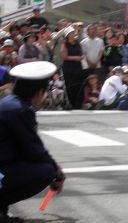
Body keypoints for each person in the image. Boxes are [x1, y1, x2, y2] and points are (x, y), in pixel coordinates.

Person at [0, 61, 65, 222]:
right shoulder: (20, 110)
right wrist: (56, 172)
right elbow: (33, 149)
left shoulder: (8, 103)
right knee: (45, 171)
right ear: (38, 91)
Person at [61, 28, 84, 109]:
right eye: (71, 33)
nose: (72, 34)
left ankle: (78, 104)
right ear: (67, 35)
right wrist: (76, 58)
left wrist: (82, 56)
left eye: (73, 33)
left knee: (78, 85)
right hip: (69, 68)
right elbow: (65, 57)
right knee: (70, 86)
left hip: (78, 67)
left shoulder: (77, 42)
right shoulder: (64, 44)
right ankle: (70, 103)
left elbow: (81, 52)